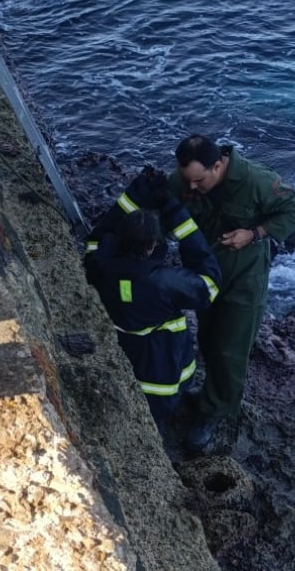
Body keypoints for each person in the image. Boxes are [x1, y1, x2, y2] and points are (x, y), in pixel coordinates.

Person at [167, 135, 295, 452]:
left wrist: (254, 233)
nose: (191, 188)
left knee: (231, 346)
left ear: (218, 166)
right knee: (207, 337)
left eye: (198, 181)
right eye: (187, 181)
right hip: (204, 271)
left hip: (244, 276)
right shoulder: (184, 179)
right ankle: (208, 395)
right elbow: (163, 202)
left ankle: (215, 412)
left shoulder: (257, 181)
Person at [83, 168, 221, 434]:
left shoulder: (98, 266)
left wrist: (137, 191)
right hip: (162, 377)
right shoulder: (164, 283)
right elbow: (210, 283)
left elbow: (102, 232)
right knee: (152, 427)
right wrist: (173, 208)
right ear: (151, 247)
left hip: (124, 361)